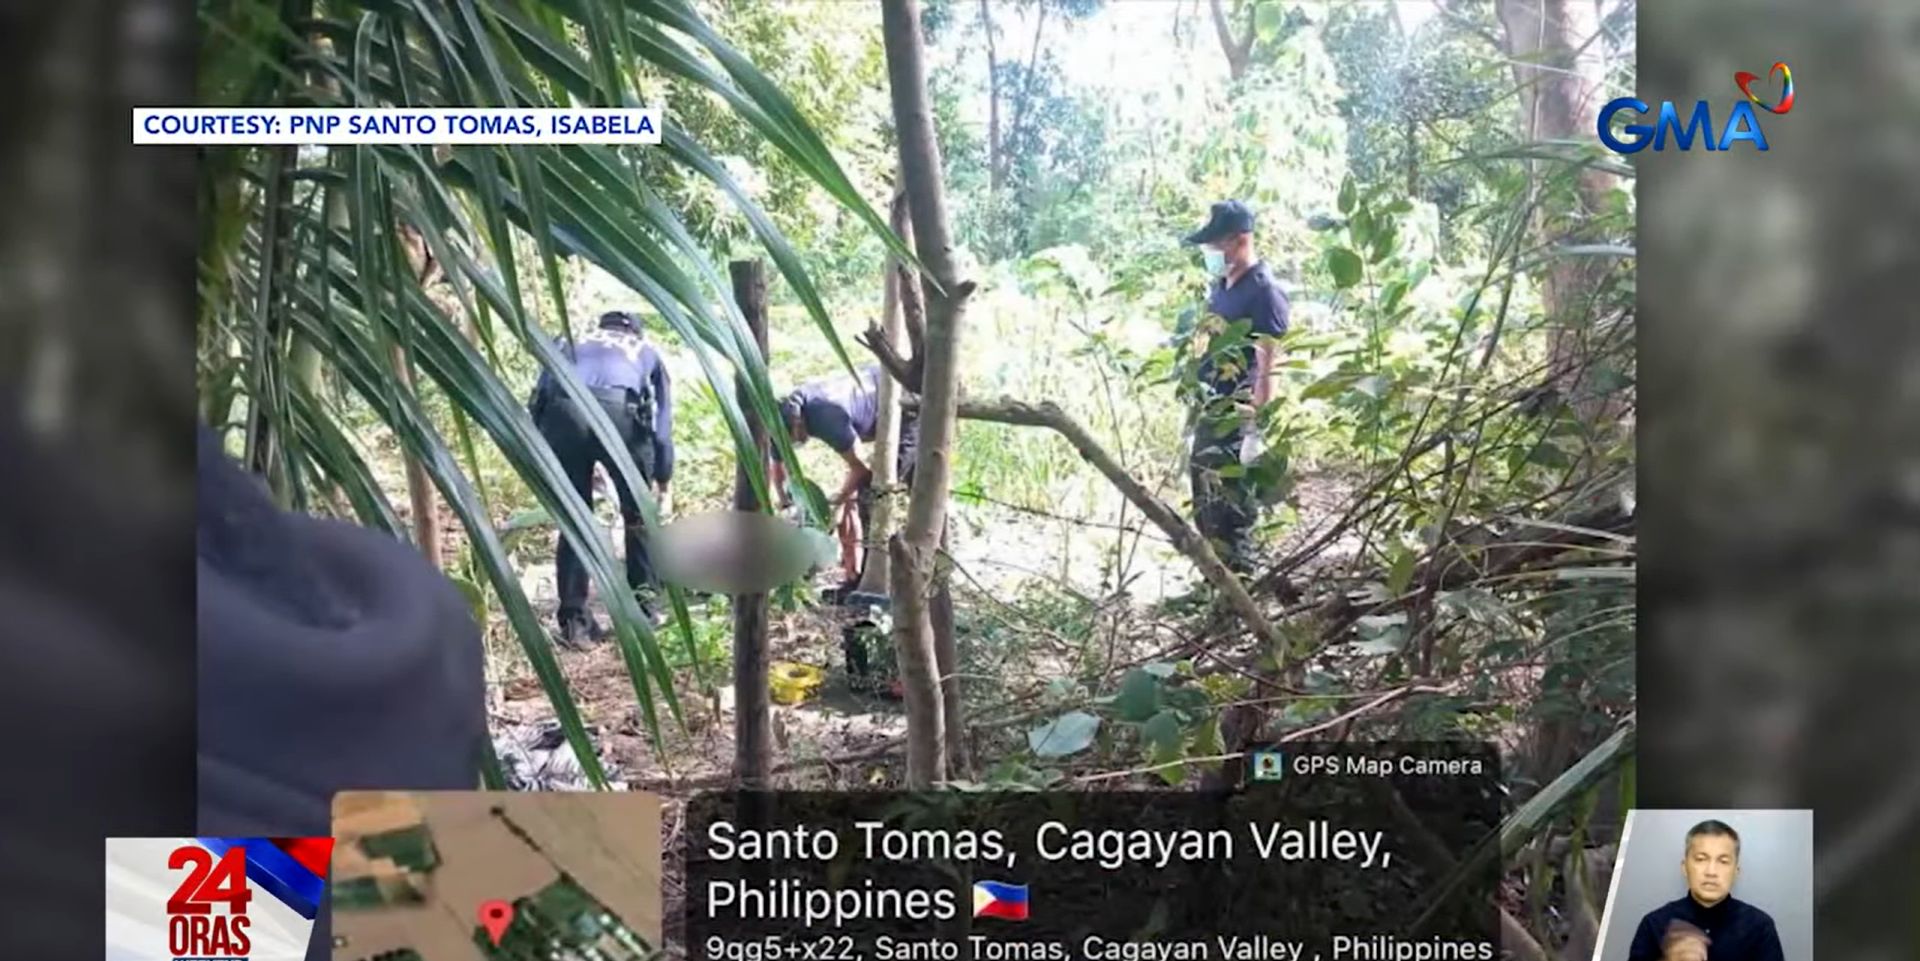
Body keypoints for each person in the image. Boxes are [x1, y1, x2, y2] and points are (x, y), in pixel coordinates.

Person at [529, 310, 675, 646]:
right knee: (637, 516)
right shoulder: (646, 351)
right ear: (635, 332)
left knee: (575, 519)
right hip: (620, 414)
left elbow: (538, 398)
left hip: (562, 413)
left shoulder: (568, 337)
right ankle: (644, 612)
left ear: (601, 326)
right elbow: (661, 427)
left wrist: (548, 453)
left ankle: (574, 624)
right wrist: (662, 477)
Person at [1181, 199, 1290, 574]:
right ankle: (1218, 586)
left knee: (1234, 510)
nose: (1210, 252)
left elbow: (1269, 362)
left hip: (1238, 415)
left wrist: (1256, 428)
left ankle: (1246, 591)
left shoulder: (1264, 292)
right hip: (1211, 410)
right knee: (1206, 505)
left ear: (1239, 239)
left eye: (1216, 244)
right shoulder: (1222, 286)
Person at [771, 363, 918, 587]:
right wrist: (785, 501)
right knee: (860, 497)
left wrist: (838, 500)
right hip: (873, 402)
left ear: (797, 424)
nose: (793, 445)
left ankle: (877, 579)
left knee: (873, 495)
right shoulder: (779, 421)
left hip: (903, 402)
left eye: (793, 440)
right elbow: (778, 466)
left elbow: (860, 469)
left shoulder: (827, 417)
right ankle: (859, 575)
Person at [1627, 820, 1786, 961]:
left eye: (1723, 861)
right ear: (1684, 867)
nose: (1711, 871)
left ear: (1736, 872)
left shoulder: (1760, 927)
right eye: (1701, 859)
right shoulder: (1654, 924)